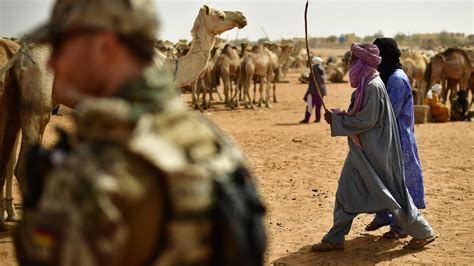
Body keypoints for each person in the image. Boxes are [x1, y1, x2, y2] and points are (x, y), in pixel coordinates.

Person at [14, 1, 266, 265]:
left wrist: (39, 202)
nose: (53, 60)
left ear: (105, 47)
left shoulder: (87, 171)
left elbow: (42, 255)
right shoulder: (214, 143)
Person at [311, 43, 435, 252]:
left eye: (352, 62)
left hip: (377, 152)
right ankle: (335, 238)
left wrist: (337, 121)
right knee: (345, 191)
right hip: (362, 150)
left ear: (361, 63)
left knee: (393, 196)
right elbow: (361, 116)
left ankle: (424, 232)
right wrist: (340, 117)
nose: (350, 67)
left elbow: (367, 120)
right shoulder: (366, 85)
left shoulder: (373, 86)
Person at [364, 38, 426, 239]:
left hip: (399, 140)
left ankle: (400, 227)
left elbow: (388, 111)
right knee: (382, 178)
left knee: (400, 183)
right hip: (388, 137)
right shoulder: (386, 76)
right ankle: (382, 216)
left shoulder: (397, 79)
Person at [300, 56, 326, 123]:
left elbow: (311, 79)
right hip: (321, 91)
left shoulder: (314, 69)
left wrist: (304, 78)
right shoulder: (322, 68)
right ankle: (318, 119)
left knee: (310, 105)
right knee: (318, 105)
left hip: (313, 91)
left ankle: (306, 119)